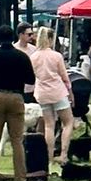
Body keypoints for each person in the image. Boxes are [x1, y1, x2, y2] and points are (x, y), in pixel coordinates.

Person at [0, 26, 34, 181]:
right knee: (17, 140)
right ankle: (20, 178)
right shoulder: (21, 56)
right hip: (16, 96)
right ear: (13, 37)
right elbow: (31, 79)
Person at [30, 27, 74, 166]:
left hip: (42, 92)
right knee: (68, 122)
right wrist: (70, 92)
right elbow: (64, 76)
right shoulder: (56, 56)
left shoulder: (34, 57)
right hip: (57, 91)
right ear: (50, 39)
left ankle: (49, 156)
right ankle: (63, 154)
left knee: (49, 125)